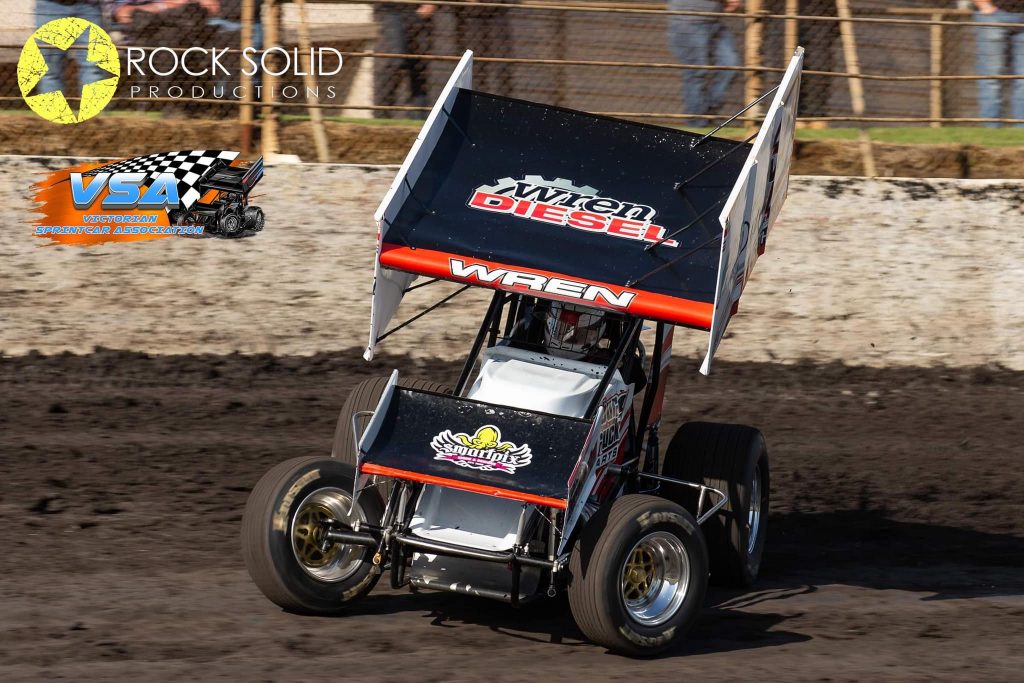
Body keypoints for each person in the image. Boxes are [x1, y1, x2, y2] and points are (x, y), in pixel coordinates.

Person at [667, 0, 741, 127]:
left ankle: (707, 113)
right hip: (687, 22)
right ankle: (697, 124)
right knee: (696, 73)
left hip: (714, 22)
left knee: (730, 65)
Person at [33, 0, 109, 102]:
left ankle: (94, 110)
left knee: (93, 67)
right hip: (50, 5)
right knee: (49, 70)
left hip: (88, 6)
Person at [374, 3, 436, 119]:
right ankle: (381, 115)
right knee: (395, 62)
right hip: (392, 9)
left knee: (419, 67)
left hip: (419, 10)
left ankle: (418, 122)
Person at [974, 0, 1024, 126]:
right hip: (993, 15)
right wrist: (983, 5)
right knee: (991, 77)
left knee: (1023, 80)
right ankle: (991, 128)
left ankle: (1021, 128)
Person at [453, 0, 513, 94]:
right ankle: (475, 98)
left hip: (497, 15)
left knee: (502, 66)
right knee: (475, 66)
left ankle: (504, 99)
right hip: (470, 16)